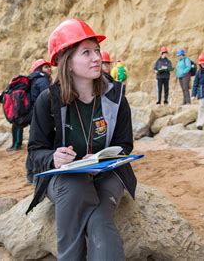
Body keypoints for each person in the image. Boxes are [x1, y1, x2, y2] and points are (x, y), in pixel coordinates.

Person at [26, 18, 137, 260]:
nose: (97, 58)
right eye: (86, 52)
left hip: (107, 174)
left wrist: (100, 160)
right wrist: (53, 157)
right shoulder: (48, 100)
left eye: (96, 51)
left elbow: (125, 144)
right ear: (67, 62)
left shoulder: (116, 97)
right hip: (64, 177)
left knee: (100, 217)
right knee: (74, 187)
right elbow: (35, 150)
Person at [24, 59, 52, 182]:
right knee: (40, 144)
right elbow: (48, 98)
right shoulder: (42, 80)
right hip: (40, 115)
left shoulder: (31, 80)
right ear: (40, 69)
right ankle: (34, 172)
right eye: (46, 67)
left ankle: (30, 171)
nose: (50, 69)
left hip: (32, 114)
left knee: (34, 142)